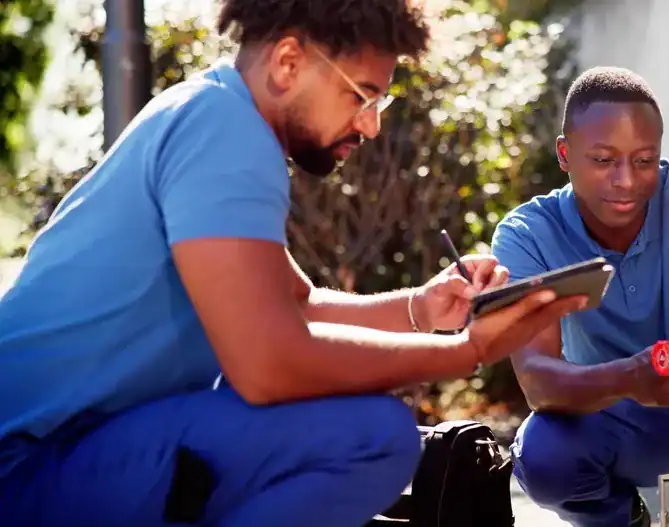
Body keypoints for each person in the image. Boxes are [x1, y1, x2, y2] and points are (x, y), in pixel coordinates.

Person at [0, 1, 586, 526]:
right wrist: (468, 350)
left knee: (353, 428)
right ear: (287, 62)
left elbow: (297, 305)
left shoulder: (212, 111)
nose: (371, 123)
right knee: (372, 439)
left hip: (73, 447)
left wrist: (422, 309)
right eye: (362, 95)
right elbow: (267, 367)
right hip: (30, 463)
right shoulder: (224, 132)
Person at [491, 66, 669, 527]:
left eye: (644, 160)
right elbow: (536, 381)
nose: (626, 180)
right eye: (603, 160)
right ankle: (624, 520)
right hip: (616, 425)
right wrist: (630, 378)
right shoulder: (528, 235)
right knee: (544, 457)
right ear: (564, 154)